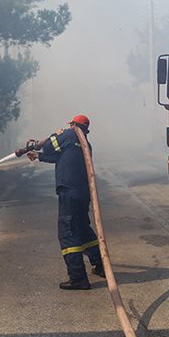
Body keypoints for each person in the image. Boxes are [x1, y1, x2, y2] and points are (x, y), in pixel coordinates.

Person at [27, 114, 104, 290]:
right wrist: (38, 156)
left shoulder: (69, 135)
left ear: (73, 125)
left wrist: (51, 137)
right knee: (83, 229)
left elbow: (49, 147)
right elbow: (60, 157)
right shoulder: (85, 144)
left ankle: (78, 278)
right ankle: (100, 265)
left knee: (68, 232)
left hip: (69, 192)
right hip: (83, 193)